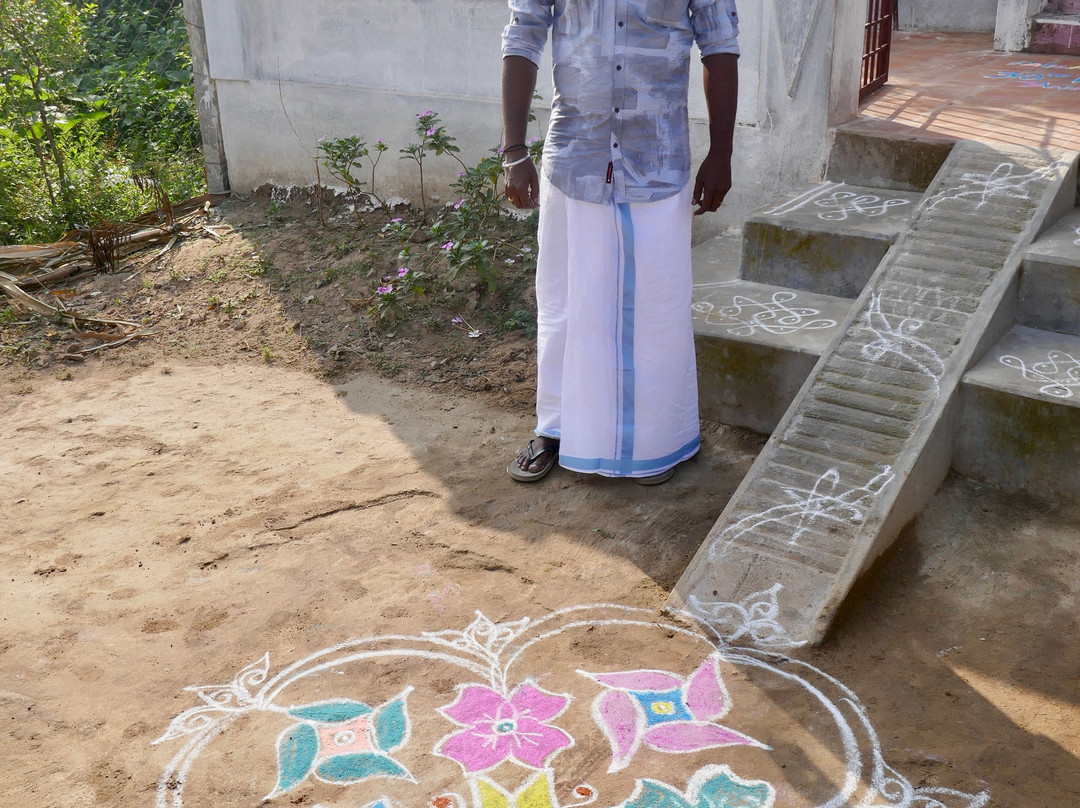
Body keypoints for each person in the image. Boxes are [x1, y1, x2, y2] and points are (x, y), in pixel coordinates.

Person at [502, 0, 739, 484]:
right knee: (567, 304)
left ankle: (655, 444)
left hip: (657, 157)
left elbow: (720, 45)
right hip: (575, 156)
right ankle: (556, 429)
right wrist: (513, 150)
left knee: (656, 311)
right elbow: (523, 35)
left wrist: (722, 152)